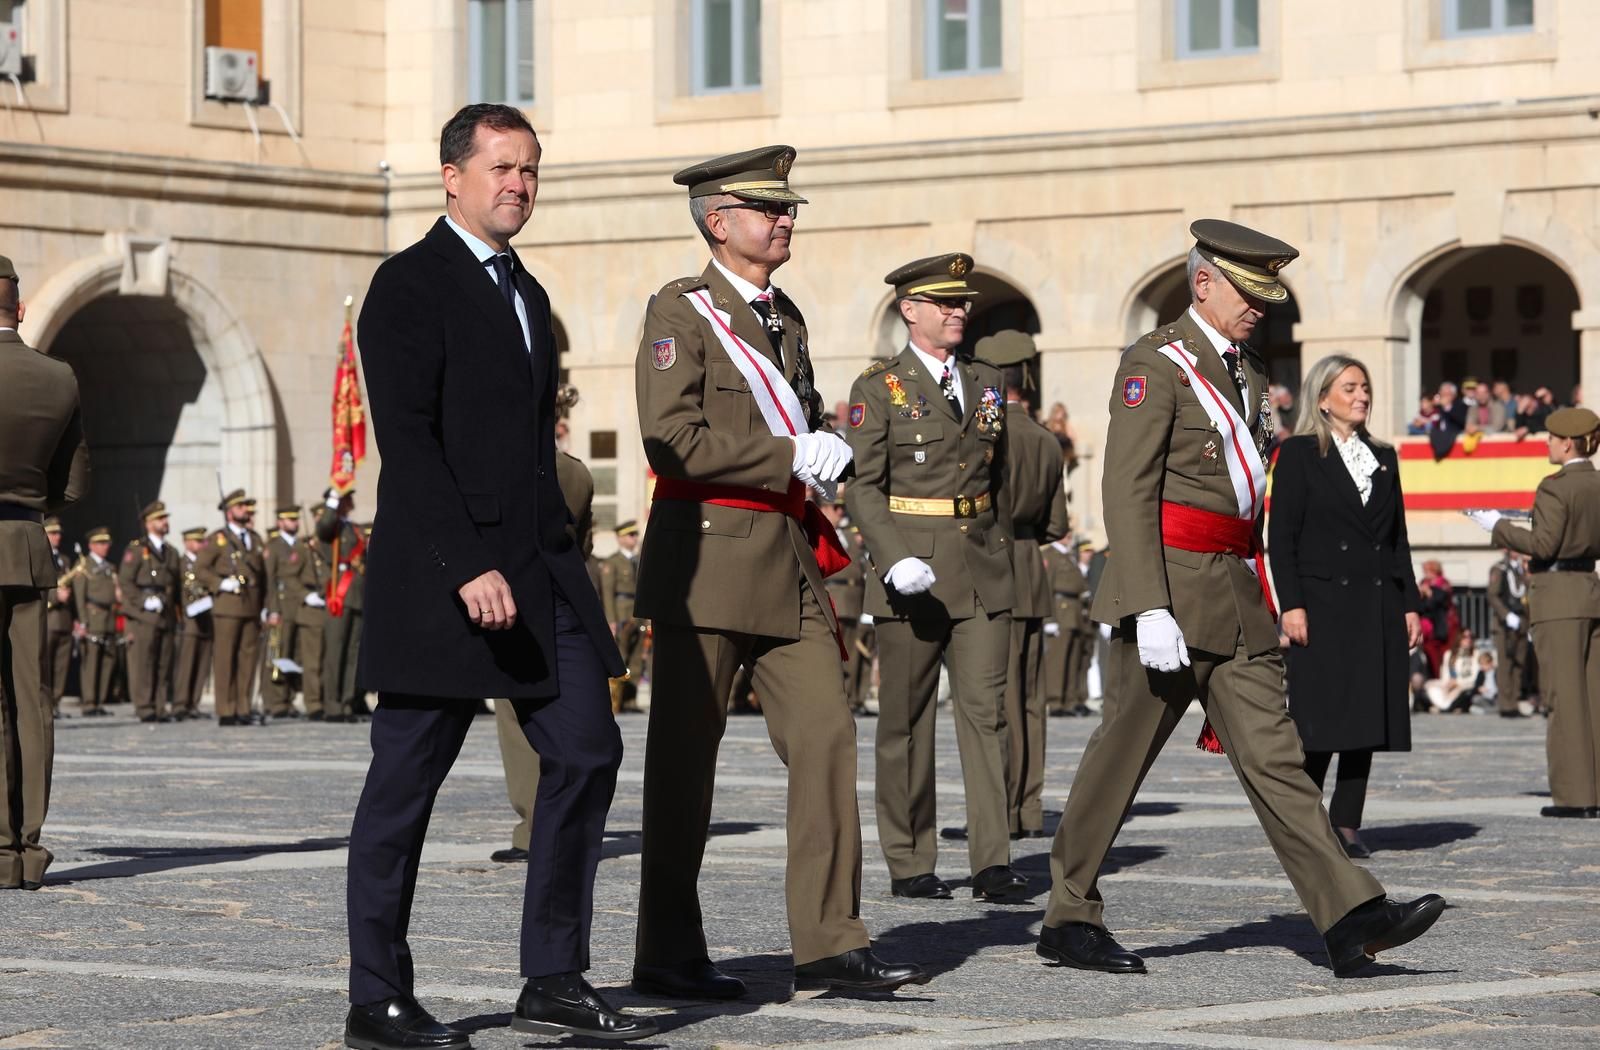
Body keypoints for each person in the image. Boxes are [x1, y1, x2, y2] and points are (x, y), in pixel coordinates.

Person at [1036, 219, 1444, 979]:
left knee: (1279, 759)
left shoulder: (1249, 374)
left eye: (1267, 292)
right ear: (1203, 283)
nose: (1261, 305)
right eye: (1247, 291)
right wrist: (1148, 603)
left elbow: (1247, 497)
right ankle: (1068, 912)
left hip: (1232, 589)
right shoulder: (1156, 363)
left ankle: (1350, 915)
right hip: (1170, 588)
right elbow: (1127, 489)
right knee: (1119, 761)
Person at [344, 103, 651, 1050]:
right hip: (445, 578)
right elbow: (410, 443)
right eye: (501, 168)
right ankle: (377, 997)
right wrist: (466, 562)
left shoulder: (528, 292)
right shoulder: (408, 284)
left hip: (538, 575)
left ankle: (552, 974)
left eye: (530, 170)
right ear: (451, 176)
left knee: (590, 750)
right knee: (405, 787)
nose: (518, 185)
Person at [632, 144, 923, 1000]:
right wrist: (787, 451)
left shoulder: (784, 316)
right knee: (686, 766)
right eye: (770, 209)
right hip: (708, 557)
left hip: (789, 560)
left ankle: (830, 939)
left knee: (829, 739)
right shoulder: (682, 312)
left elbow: (795, 422)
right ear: (720, 223)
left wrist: (820, 448)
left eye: (789, 208)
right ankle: (668, 952)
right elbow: (670, 437)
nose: (787, 218)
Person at [844, 253, 1027, 904]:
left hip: (978, 566)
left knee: (987, 715)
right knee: (907, 720)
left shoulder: (985, 381)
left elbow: (996, 477)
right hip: (912, 571)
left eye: (962, 303)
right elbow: (863, 487)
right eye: (943, 302)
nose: (958, 312)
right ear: (909, 309)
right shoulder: (879, 388)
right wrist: (891, 556)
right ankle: (910, 856)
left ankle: (991, 859)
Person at [1269, 355, 1425, 860]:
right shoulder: (1296, 454)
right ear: (1322, 398)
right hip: (1320, 603)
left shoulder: (1384, 456)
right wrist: (1290, 604)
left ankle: (1348, 822)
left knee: (1366, 716)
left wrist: (1410, 604)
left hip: (1377, 601)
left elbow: (1397, 538)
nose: (1362, 396)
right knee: (1318, 721)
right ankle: (1304, 820)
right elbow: (1282, 537)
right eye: (1350, 387)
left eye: (1365, 387)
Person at [0, 253, 88, 891]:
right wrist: (29, 511)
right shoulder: (59, 378)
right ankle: (26, 851)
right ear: (19, 309)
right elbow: (75, 484)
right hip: (29, 546)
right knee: (32, 702)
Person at [1469, 407, 1600, 819]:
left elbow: (1543, 545)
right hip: (1589, 590)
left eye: (1549, 438)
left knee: (1564, 699)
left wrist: (1496, 527)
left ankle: (1574, 795)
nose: (1546, 444)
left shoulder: (1555, 487)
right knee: (1594, 698)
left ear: (1566, 442)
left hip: (1558, 596)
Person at [491, 395, 602, 866]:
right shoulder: (576, 473)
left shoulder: (506, 464)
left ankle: (533, 829)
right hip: (565, 600)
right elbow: (585, 547)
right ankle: (565, 824)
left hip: (513, 599)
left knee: (517, 721)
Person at [977, 330, 1068, 840]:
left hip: (993, 566)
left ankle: (1005, 810)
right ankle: (1030, 808)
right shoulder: (1046, 440)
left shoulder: (986, 437)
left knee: (999, 700)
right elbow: (1057, 526)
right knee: (1033, 701)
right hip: (1032, 568)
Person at [195, 491, 266, 727]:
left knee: (248, 658)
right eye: (240, 506)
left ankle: (243, 707)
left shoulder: (255, 539)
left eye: (246, 506)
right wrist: (220, 583)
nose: (245, 510)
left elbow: (263, 576)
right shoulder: (218, 539)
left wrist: (265, 606)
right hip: (227, 606)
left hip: (251, 606)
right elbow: (200, 569)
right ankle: (226, 709)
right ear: (229, 512)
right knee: (225, 658)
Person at [118, 500, 182, 724]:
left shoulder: (171, 552)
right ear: (148, 523)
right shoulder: (136, 550)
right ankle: (144, 707)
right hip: (143, 616)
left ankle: (159, 705)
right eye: (160, 519)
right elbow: (125, 583)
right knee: (143, 663)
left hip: (165, 613)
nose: (165, 522)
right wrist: (143, 601)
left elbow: (176, 586)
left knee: (163, 662)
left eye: (165, 518)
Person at [316, 488, 368, 722]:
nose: (350, 500)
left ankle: (347, 702)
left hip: (357, 595)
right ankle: (332, 704)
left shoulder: (354, 528)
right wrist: (332, 500)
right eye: (346, 497)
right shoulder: (333, 526)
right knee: (335, 652)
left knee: (352, 653)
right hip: (339, 595)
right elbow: (324, 526)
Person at [262, 506, 310, 719]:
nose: (294, 523)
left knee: (292, 654)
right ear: (280, 522)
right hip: (280, 606)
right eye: (290, 520)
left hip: (296, 608)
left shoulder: (300, 545)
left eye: (295, 519)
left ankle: (288, 698)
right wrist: (272, 609)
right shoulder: (274, 547)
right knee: (277, 655)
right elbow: (270, 580)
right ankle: (275, 701)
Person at [71, 527, 118, 718]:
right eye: (100, 543)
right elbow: (80, 597)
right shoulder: (84, 566)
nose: (105, 547)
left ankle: (100, 700)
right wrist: (82, 621)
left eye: (106, 543)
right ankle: (89, 702)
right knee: (91, 663)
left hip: (108, 618)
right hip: (92, 616)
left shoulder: (110, 567)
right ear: (91, 545)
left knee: (107, 661)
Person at [600, 521, 643, 712]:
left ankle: (630, 700)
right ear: (620, 538)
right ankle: (616, 700)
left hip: (638, 612)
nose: (634, 538)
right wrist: (611, 619)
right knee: (621, 656)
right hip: (621, 611)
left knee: (636, 658)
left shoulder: (640, 559)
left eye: (635, 535)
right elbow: (608, 593)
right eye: (630, 535)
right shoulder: (612, 562)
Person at [173, 526, 214, 720]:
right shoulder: (181, 564)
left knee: (202, 663)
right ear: (187, 542)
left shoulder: (206, 564)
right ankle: (181, 703)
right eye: (197, 541)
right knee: (187, 663)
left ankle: (193, 703)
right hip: (189, 618)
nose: (201, 545)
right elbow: (177, 590)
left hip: (206, 617)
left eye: (202, 541)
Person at [1487, 550, 1532, 718]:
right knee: (1506, 664)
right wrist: (1507, 615)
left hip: (1521, 621)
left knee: (1519, 664)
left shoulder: (1521, 570)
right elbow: (1493, 595)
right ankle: (1506, 706)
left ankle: (1514, 701)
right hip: (1505, 625)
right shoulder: (1499, 568)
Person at [42, 519, 76, 719]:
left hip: (64, 618)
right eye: (53, 533)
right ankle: (45, 704)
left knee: (61, 666)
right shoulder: (39, 556)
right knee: (45, 665)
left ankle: (56, 703)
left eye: (58, 533)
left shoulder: (64, 559)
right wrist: (55, 596)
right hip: (48, 617)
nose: (57, 537)